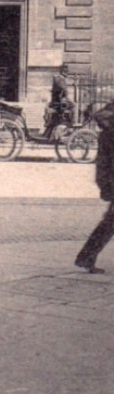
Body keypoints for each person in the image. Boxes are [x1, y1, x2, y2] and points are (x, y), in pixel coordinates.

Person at [75, 100, 114, 273]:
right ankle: (86, 256)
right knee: (110, 223)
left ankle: (86, 256)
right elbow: (106, 162)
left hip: (110, 181)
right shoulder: (110, 133)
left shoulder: (107, 131)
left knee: (110, 223)